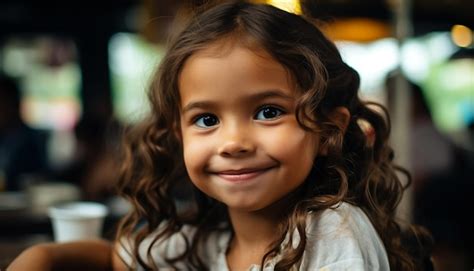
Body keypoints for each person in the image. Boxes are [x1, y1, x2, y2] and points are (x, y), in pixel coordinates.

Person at [8, 2, 433, 270]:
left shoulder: (332, 235)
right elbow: (114, 257)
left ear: (329, 130)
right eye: (207, 119)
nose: (233, 142)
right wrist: (43, 255)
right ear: (177, 134)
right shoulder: (204, 241)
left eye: (268, 112)